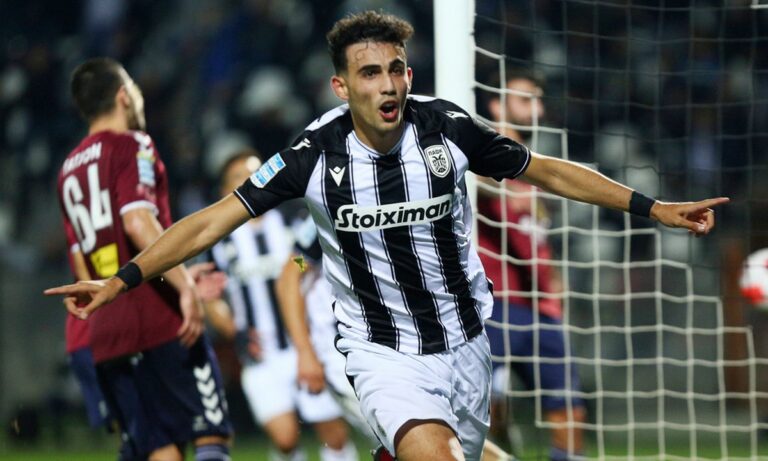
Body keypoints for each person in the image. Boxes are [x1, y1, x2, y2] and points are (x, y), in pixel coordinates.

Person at [46, 12, 727, 461]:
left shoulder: (447, 127)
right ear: (342, 86)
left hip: (466, 343)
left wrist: (653, 207)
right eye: (370, 73)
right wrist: (122, 280)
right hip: (381, 352)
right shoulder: (312, 154)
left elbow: (545, 170)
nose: (388, 84)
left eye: (396, 68)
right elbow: (210, 220)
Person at [54, 57, 232, 461]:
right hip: (159, 317)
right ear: (123, 95)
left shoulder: (68, 170)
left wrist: (177, 273)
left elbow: (81, 264)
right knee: (211, 435)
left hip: (107, 330)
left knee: (159, 450)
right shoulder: (132, 144)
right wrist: (184, 287)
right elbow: (137, 221)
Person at [208, 150, 358, 461]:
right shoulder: (221, 242)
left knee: (332, 433)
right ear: (225, 190)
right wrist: (233, 331)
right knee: (286, 438)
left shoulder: (292, 220)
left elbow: (309, 264)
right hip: (262, 355)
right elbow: (209, 295)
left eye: (255, 172)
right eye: (239, 176)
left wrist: (294, 269)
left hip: (309, 342)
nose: (249, 180)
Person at [478, 70, 586, 460]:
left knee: (570, 409)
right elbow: (474, 183)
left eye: (538, 100)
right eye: (526, 99)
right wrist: (504, 190)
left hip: (541, 307)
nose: (537, 109)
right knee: (483, 412)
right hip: (494, 304)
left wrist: (554, 283)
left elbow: (536, 237)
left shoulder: (535, 166)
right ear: (497, 104)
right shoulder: (481, 152)